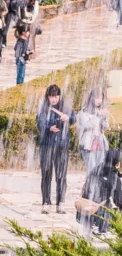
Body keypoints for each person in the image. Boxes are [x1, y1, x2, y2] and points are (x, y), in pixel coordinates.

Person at [37, 84, 75, 214]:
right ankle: (46, 202)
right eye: (51, 96)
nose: (54, 99)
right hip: (46, 145)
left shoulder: (65, 105)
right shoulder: (43, 106)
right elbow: (40, 123)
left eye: (56, 96)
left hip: (62, 145)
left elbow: (74, 119)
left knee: (61, 175)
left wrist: (67, 118)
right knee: (46, 174)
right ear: (47, 96)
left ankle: (61, 203)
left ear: (59, 95)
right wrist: (49, 128)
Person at [77, 149, 122, 235]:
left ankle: (91, 224)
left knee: (105, 203)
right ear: (117, 163)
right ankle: (102, 227)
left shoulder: (96, 169)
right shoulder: (113, 178)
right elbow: (118, 201)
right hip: (96, 213)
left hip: (82, 212)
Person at [77, 89, 109, 172]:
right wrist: (97, 115)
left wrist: (104, 118)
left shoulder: (100, 110)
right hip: (88, 143)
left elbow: (105, 127)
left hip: (100, 142)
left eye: (101, 98)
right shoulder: (84, 112)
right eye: (97, 98)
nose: (99, 101)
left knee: (100, 168)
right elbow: (87, 126)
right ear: (92, 98)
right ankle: (90, 184)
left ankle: (98, 184)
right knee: (91, 169)